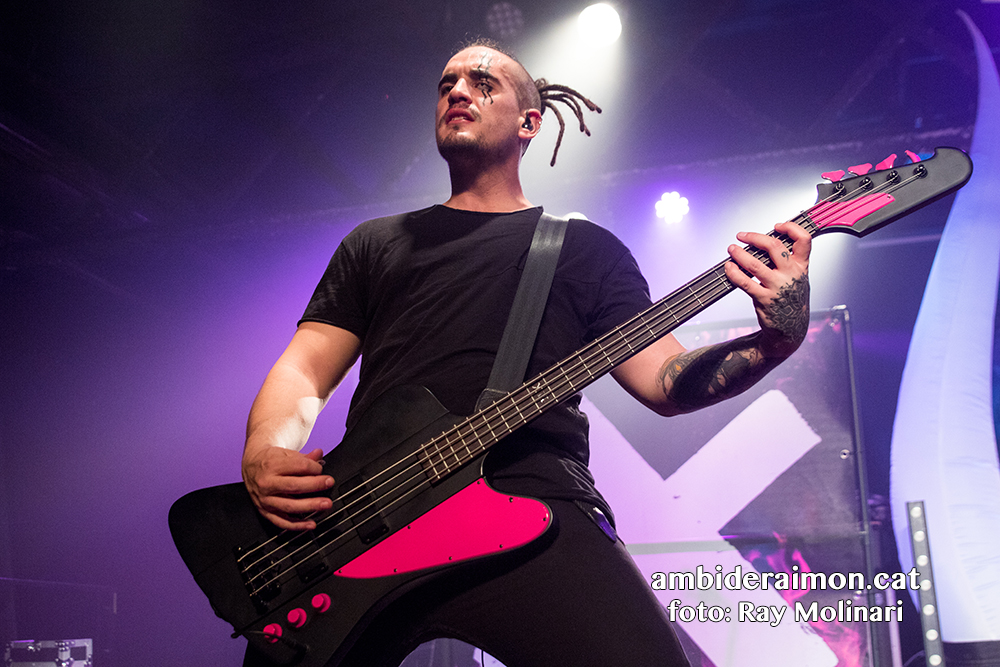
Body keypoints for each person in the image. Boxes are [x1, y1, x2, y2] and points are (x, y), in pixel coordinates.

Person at [240, 40, 810, 667]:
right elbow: (304, 368)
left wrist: (775, 340)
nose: (458, 91)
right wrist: (265, 450)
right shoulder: (375, 243)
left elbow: (665, 380)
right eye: (447, 83)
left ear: (528, 123)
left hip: (530, 499)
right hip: (365, 519)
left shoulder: (586, 251)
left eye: (482, 83)